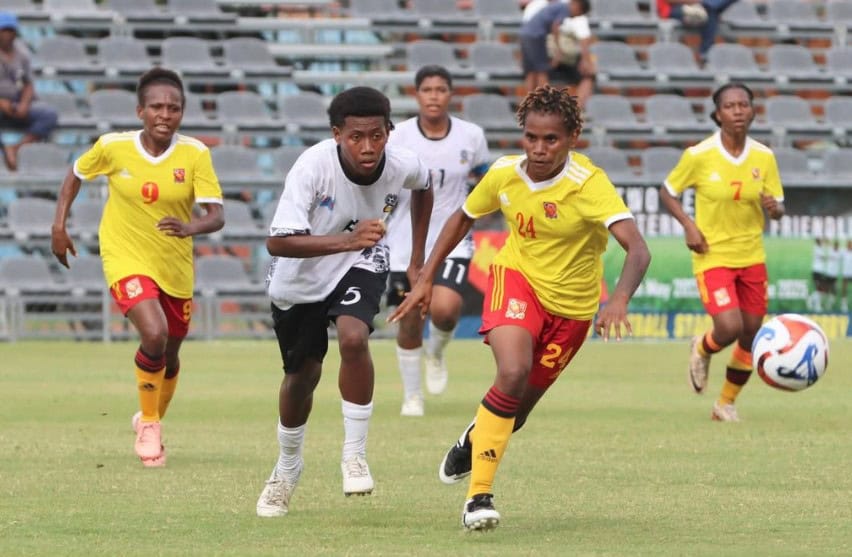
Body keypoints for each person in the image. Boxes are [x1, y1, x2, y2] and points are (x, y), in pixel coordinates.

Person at [389, 85, 651, 531]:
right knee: (511, 373)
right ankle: (478, 499)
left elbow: (638, 249)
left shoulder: (588, 184)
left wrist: (619, 299)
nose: (539, 148)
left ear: (572, 138)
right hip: (517, 281)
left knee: (518, 409)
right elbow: (463, 216)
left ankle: (474, 437)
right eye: (531, 137)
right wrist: (427, 275)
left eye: (551, 139)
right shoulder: (505, 173)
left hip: (573, 307)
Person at [255, 86, 433, 518]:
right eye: (356, 137)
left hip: (362, 260)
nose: (367, 147)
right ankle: (287, 468)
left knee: (354, 338)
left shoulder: (402, 162)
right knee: (302, 377)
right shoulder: (312, 167)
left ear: (389, 131)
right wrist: (348, 239)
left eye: (377, 135)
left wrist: (417, 259)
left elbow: (424, 186)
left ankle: (354, 454)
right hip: (301, 275)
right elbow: (278, 242)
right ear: (337, 135)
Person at [50, 67, 225, 466]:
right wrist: (58, 226)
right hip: (124, 255)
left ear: (182, 112)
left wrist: (191, 227)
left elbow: (216, 215)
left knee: (170, 354)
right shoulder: (113, 147)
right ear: (140, 111)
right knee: (154, 333)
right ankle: (150, 426)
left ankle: (149, 417)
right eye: (157, 107)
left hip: (174, 264)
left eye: (173, 108)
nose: (165, 114)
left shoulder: (195, 154)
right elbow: (75, 174)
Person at [659, 82, 785, 422]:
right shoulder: (698, 155)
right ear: (717, 114)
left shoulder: (764, 156)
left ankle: (725, 404)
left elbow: (778, 206)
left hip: (752, 254)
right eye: (730, 106)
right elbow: (668, 191)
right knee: (728, 327)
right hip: (712, 253)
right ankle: (702, 347)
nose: (738, 111)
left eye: (744, 104)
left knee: (751, 332)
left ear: (753, 111)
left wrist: (774, 209)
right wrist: (688, 224)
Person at [385, 65, 491, 417]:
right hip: (404, 243)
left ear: (450, 94)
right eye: (427, 89)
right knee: (410, 316)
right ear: (416, 95)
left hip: (453, 240)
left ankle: (437, 352)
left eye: (441, 89)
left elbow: (484, 180)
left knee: (445, 310)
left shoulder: (471, 136)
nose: (434, 96)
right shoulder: (398, 137)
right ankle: (412, 395)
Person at [0, 11, 58, 171]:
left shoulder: (22, 53)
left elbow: (28, 84)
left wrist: (24, 104)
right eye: (4, 30)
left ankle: (16, 148)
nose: (8, 34)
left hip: (17, 103)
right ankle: (4, 149)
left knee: (49, 114)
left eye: (11, 30)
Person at [519, 0, 595, 107]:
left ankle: (529, 105)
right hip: (536, 36)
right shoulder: (564, 8)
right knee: (542, 71)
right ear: (576, 5)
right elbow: (555, 26)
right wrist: (558, 48)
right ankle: (544, 103)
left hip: (526, 35)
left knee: (531, 72)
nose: (575, 16)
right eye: (578, 13)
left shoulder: (558, 6)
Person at [656, 0, 740, 64]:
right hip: (672, 9)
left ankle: (705, 53)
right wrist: (697, 1)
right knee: (710, 10)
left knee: (710, 9)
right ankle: (705, 53)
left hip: (699, 8)